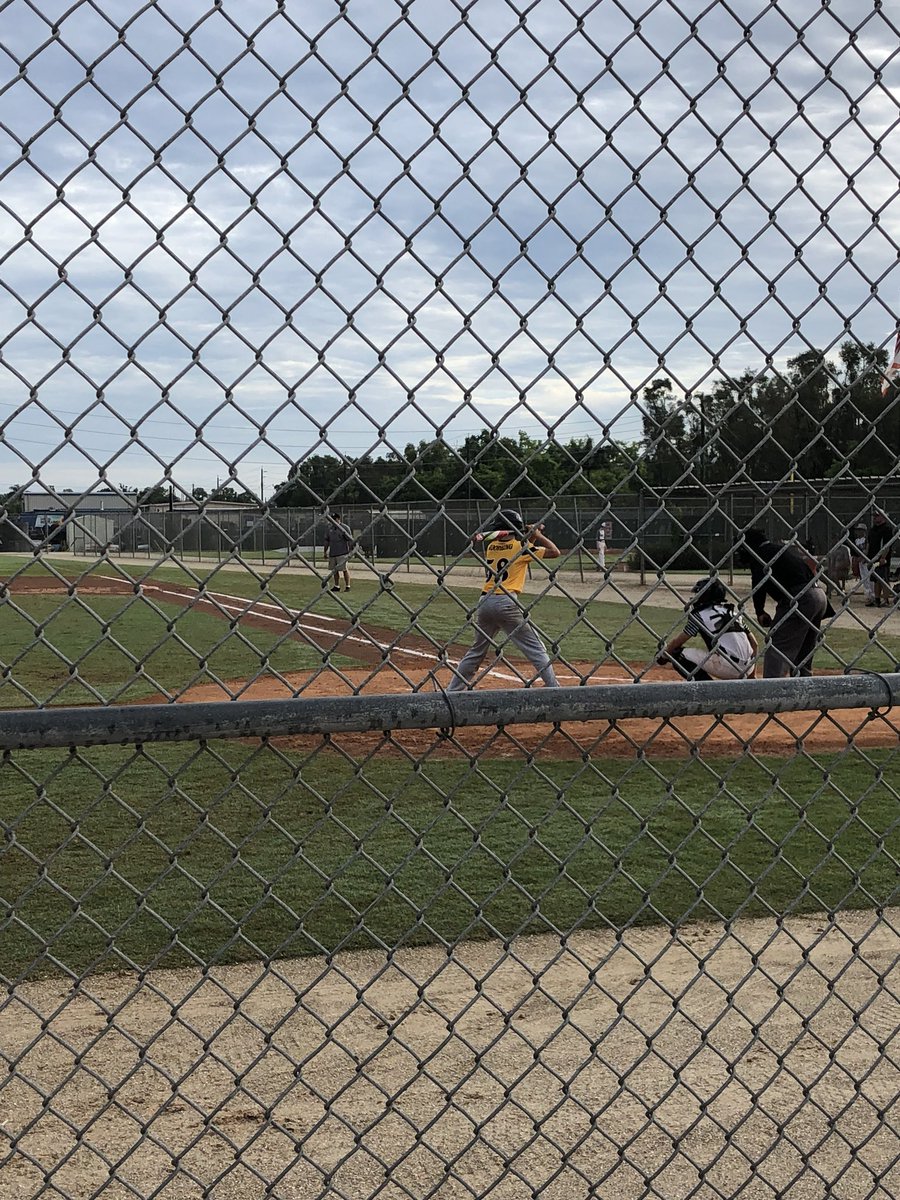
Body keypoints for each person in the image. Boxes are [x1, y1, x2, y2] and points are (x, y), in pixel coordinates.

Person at [447, 509, 561, 692]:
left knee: (476, 651)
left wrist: (530, 535)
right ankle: (554, 688)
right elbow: (555, 552)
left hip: (485, 603)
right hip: (507, 603)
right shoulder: (521, 548)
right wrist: (538, 535)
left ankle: (453, 690)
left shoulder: (492, 547)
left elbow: (520, 551)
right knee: (536, 648)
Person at [741, 527, 828, 678]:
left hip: (799, 599)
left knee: (777, 645)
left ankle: (772, 691)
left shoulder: (760, 555)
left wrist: (759, 611)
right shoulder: (779, 549)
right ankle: (804, 691)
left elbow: (758, 584)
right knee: (804, 651)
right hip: (819, 595)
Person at [657, 578, 757, 681]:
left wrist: (663, 655)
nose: (696, 596)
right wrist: (751, 675)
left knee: (677, 653)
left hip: (726, 667)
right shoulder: (734, 614)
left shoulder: (700, 615)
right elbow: (754, 644)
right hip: (748, 667)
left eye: (699, 593)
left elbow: (676, 643)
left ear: (705, 596)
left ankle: (707, 688)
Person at [865, 509, 895, 608]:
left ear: (883, 517)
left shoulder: (887, 529)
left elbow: (887, 545)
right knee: (875, 579)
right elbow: (869, 544)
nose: (875, 517)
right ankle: (877, 599)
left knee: (883, 579)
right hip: (872, 558)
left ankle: (885, 600)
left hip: (883, 558)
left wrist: (883, 557)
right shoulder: (873, 530)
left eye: (877, 516)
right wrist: (866, 555)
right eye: (874, 516)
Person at [323, 513, 355, 592]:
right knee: (334, 570)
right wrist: (325, 551)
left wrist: (351, 551)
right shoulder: (329, 529)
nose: (333, 521)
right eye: (332, 519)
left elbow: (350, 540)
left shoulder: (344, 528)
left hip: (342, 552)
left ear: (338, 519)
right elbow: (327, 541)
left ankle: (347, 585)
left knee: (344, 569)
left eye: (335, 519)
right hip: (333, 552)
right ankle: (336, 585)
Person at [850, 523, 874, 602]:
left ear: (864, 531)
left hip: (866, 561)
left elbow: (867, 550)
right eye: (857, 530)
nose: (858, 532)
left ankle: (872, 594)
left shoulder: (866, 539)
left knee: (869, 578)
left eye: (860, 530)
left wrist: (863, 557)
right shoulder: (857, 540)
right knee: (864, 578)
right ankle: (868, 595)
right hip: (860, 561)